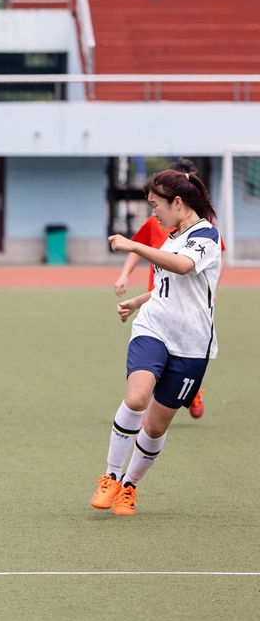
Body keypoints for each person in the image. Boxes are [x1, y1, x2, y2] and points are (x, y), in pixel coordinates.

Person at [93, 169, 221, 516]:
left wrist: (135, 245)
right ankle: (110, 477)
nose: (154, 213)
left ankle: (130, 486)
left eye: (156, 205)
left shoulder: (206, 235)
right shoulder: (173, 234)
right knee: (136, 398)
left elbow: (182, 268)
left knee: (155, 425)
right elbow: (168, 287)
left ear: (177, 202)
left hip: (192, 344)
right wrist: (137, 302)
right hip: (153, 327)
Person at [114, 158, 207, 417]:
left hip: (186, 311)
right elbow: (138, 244)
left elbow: (186, 264)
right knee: (146, 376)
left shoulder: (202, 231)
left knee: (177, 362)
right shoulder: (159, 223)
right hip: (158, 302)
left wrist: (214, 289)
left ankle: (190, 390)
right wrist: (125, 277)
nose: (154, 210)